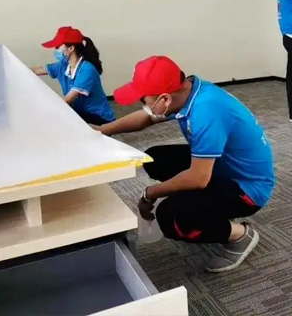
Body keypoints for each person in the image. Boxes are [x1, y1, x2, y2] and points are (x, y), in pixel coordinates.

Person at [97, 55, 275, 272]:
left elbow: (198, 178)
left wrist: (149, 194)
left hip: (248, 188)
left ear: (164, 99)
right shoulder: (189, 91)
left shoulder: (206, 110)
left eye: (143, 100)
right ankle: (209, 209)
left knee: (170, 216)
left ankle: (241, 235)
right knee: (155, 159)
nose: (142, 105)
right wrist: (102, 130)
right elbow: (147, 117)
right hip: (222, 167)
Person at [32, 26, 115, 125]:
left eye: (58, 46)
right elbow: (35, 70)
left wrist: (44, 111)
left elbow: (69, 99)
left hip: (99, 117)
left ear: (71, 48)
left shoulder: (87, 70)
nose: (55, 50)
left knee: (55, 121)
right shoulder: (63, 65)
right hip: (80, 113)